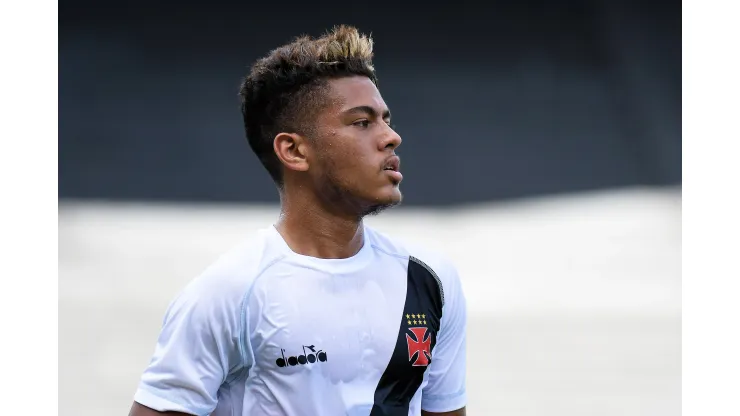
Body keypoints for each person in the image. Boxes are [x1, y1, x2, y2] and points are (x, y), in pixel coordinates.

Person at [128, 25, 467, 416]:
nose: (391, 137)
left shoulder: (430, 280)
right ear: (293, 150)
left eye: (385, 119)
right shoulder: (228, 294)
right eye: (362, 122)